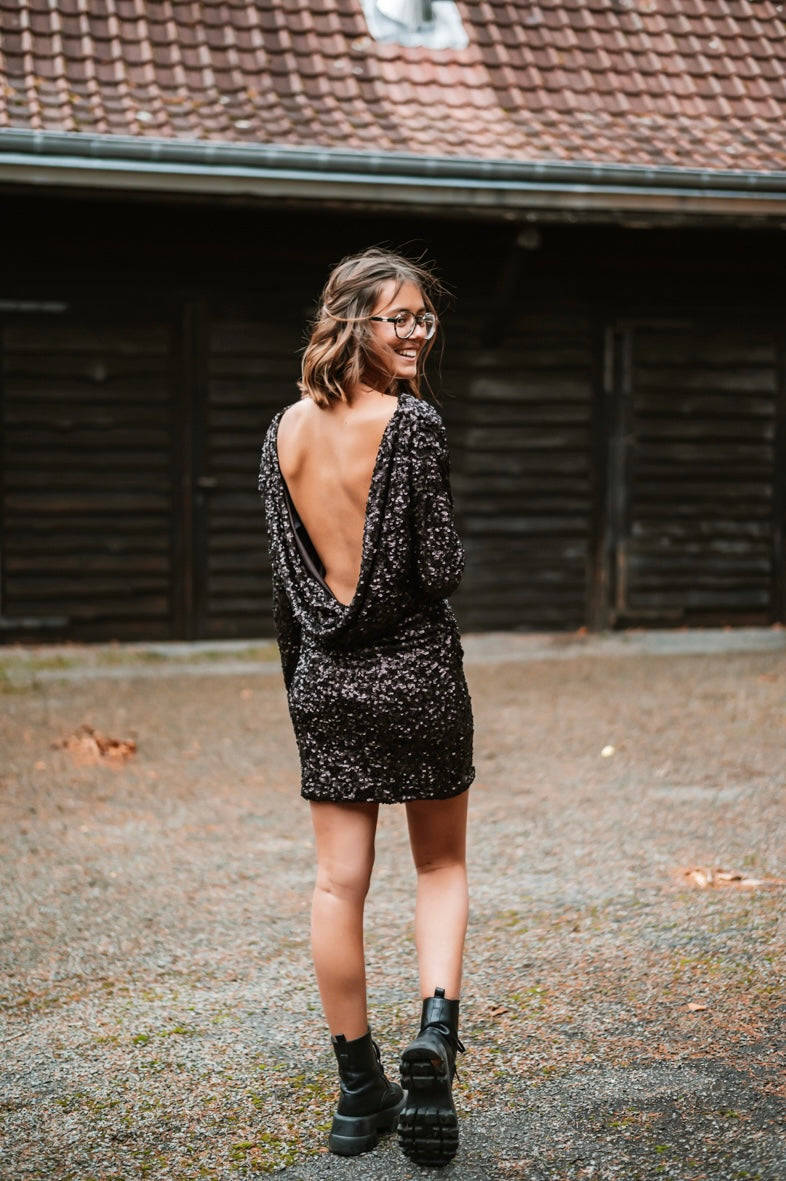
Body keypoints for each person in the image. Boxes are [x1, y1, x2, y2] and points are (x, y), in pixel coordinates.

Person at [258, 247, 474, 1167]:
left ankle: (358, 1091)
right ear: (355, 323)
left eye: (424, 316)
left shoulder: (283, 431)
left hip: (326, 681)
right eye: (400, 318)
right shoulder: (412, 423)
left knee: (336, 884)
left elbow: (287, 585)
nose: (418, 331)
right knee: (440, 864)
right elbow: (440, 566)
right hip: (416, 673)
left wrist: (303, 688)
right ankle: (436, 1037)